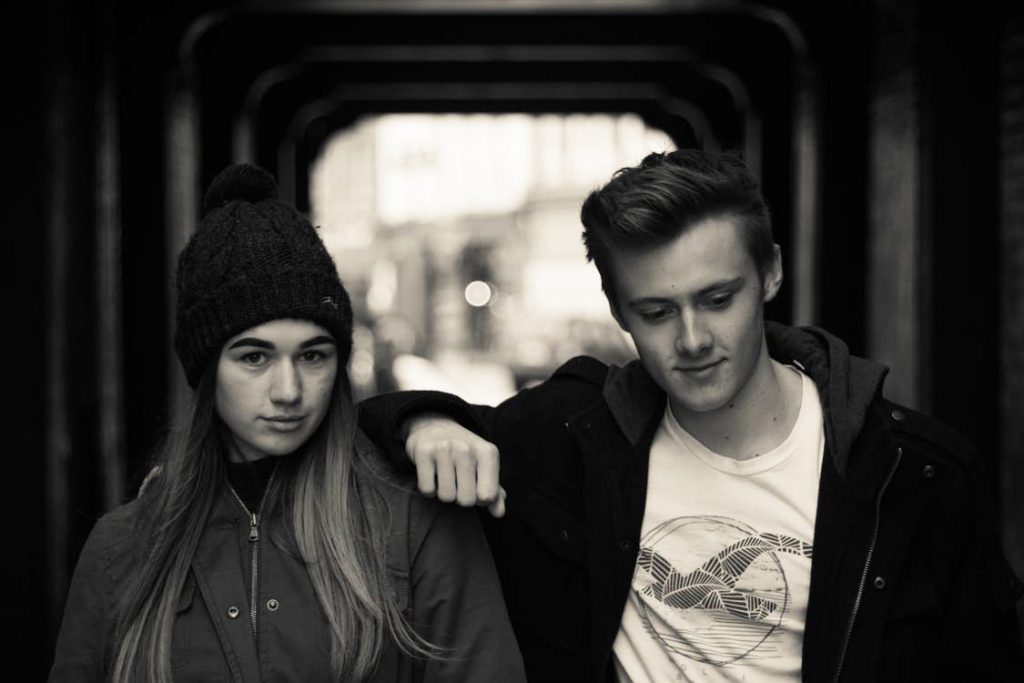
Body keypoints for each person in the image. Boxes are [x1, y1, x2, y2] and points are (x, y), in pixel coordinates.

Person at [358, 150, 1024, 682]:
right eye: (657, 312)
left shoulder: (915, 473)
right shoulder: (569, 438)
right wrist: (425, 423)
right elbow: (360, 430)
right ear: (620, 314)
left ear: (770, 275)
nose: (694, 338)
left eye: (717, 298)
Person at [49, 164, 526, 683]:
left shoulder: (415, 524)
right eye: (254, 358)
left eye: (313, 356)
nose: (289, 391)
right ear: (207, 370)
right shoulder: (123, 546)